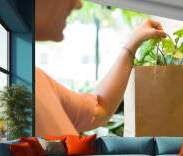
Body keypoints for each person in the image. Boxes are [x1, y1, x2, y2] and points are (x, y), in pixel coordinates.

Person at [35, 0, 166, 136]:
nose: (78, 5)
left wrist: (132, 44)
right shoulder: (24, 86)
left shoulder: (38, 81)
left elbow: (99, 109)